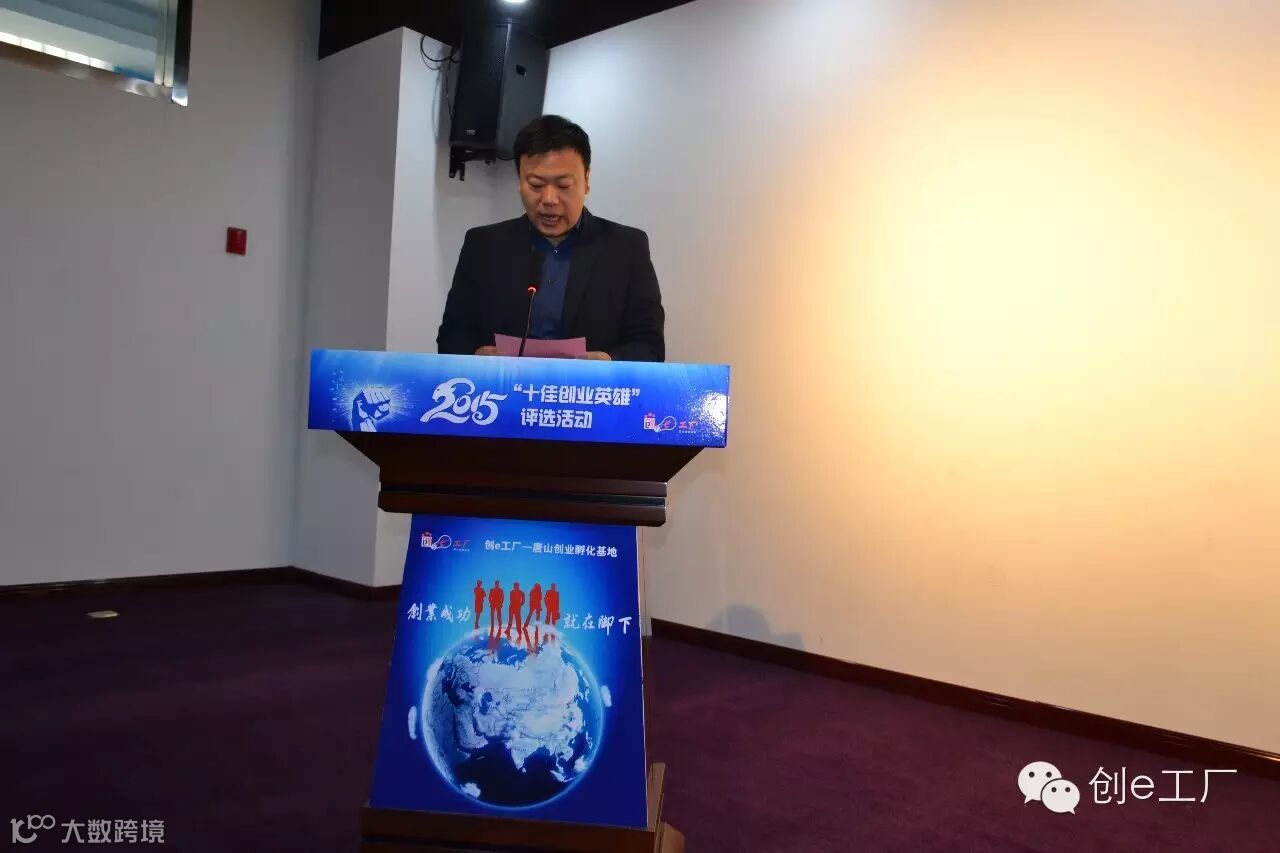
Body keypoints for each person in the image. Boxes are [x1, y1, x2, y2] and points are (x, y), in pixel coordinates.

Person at [436, 115, 665, 362]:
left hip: (587, 387)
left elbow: (649, 346)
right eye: (535, 185)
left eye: (563, 185)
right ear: (520, 181)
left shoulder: (626, 248)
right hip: (503, 385)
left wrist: (609, 362)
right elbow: (451, 336)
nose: (549, 199)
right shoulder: (483, 246)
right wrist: (476, 355)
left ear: (587, 181)